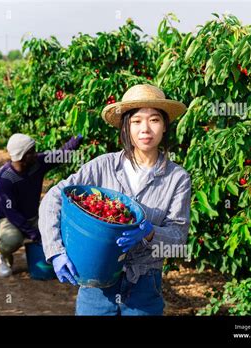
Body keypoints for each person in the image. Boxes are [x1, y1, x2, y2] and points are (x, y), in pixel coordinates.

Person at [38, 84, 191, 315]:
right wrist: (56, 251)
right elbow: (54, 197)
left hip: (144, 285)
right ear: (125, 127)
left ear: (164, 127)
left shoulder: (177, 178)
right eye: (136, 121)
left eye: (154, 120)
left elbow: (178, 238)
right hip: (96, 283)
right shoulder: (102, 166)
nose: (145, 129)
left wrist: (149, 233)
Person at [0, 133, 82, 277]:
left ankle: (33, 252)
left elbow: (61, 154)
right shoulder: (5, 179)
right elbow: (12, 214)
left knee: (59, 230)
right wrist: (34, 234)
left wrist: (77, 139)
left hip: (33, 216)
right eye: (32, 152)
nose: (36, 154)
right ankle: (4, 256)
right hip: (8, 220)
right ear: (22, 156)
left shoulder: (37, 163)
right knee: (13, 239)